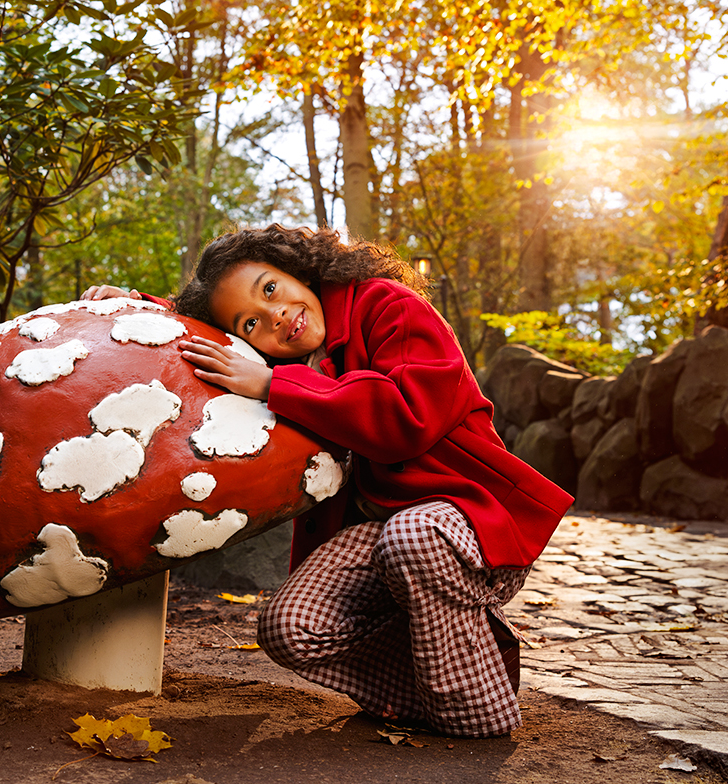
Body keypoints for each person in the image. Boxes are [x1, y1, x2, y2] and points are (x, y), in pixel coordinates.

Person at [81, 225, 573, 737]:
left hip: (469, 520)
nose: (275, 316)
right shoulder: (283, 358)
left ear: (297, 270)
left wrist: (276, 385)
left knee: (413, 539)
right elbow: (206, 334)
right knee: (290, 628)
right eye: (252, 322)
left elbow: (406, 417)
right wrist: (142, 307)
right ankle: (452, 672)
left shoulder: (389, 305)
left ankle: (475, 714)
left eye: (270, 289)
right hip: (383, 531)